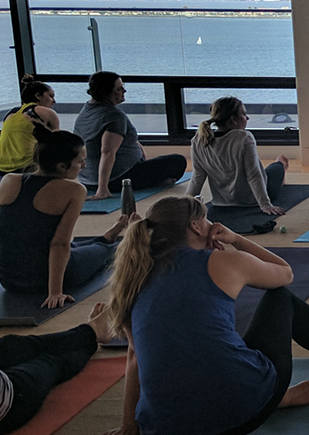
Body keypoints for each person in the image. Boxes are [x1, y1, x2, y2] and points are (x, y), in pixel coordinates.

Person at [92, 196, 309, 435]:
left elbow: (134, 356)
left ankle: (280, 398)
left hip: (165, 432)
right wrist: (237, 240)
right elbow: (285, 274)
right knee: (280, 300)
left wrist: (129, 425)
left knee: (209, 341)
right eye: (206, 219)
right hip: (243, 414)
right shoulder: (224, 260)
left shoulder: (132, 279)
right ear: (195, 227)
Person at [0, 127, 130, 307]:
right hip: (51, 277)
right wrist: (55, 292)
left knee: (75, 245)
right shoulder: (74, 191)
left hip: (9, 280)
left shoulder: (8, 180)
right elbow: (59, 243)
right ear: (61, 166)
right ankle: (109, 241)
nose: (84, 166)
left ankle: (104, 237)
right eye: (80, 161)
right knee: (110, 251)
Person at [1, 304, 116, 435]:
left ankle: (90, 331)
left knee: (11, 345)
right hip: (13, 399)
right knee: (50, 362)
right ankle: (91, 334)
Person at [73, 71, 187, 200]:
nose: (124, 91)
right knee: (178, 161)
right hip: (117, 180)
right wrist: (102, 189)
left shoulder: (86, 109)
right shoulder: (114, 116)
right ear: (106, 91)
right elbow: (107, 151)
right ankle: (153, 183)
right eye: (119, 89)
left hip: (87, 180)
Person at [188, 96, 289, 215]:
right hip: (252, 200)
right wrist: (265, 205)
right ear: (233, 119)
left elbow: (198, 176)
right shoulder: (244, 137)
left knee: (266, 172)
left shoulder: (198, 139)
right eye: (244, 114)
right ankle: (281, 163)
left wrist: (186, 204)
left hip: (221, 202)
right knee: (278, 167)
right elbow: (253, 174)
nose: (247, 118)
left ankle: (279, 166)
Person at [0, 75, 60, 174]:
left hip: (2, 168)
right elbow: (57, 144)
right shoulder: (46, 113)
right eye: (50, 96)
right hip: (26, 167)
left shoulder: (11, 114)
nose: (54, 101)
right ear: (38, 96)